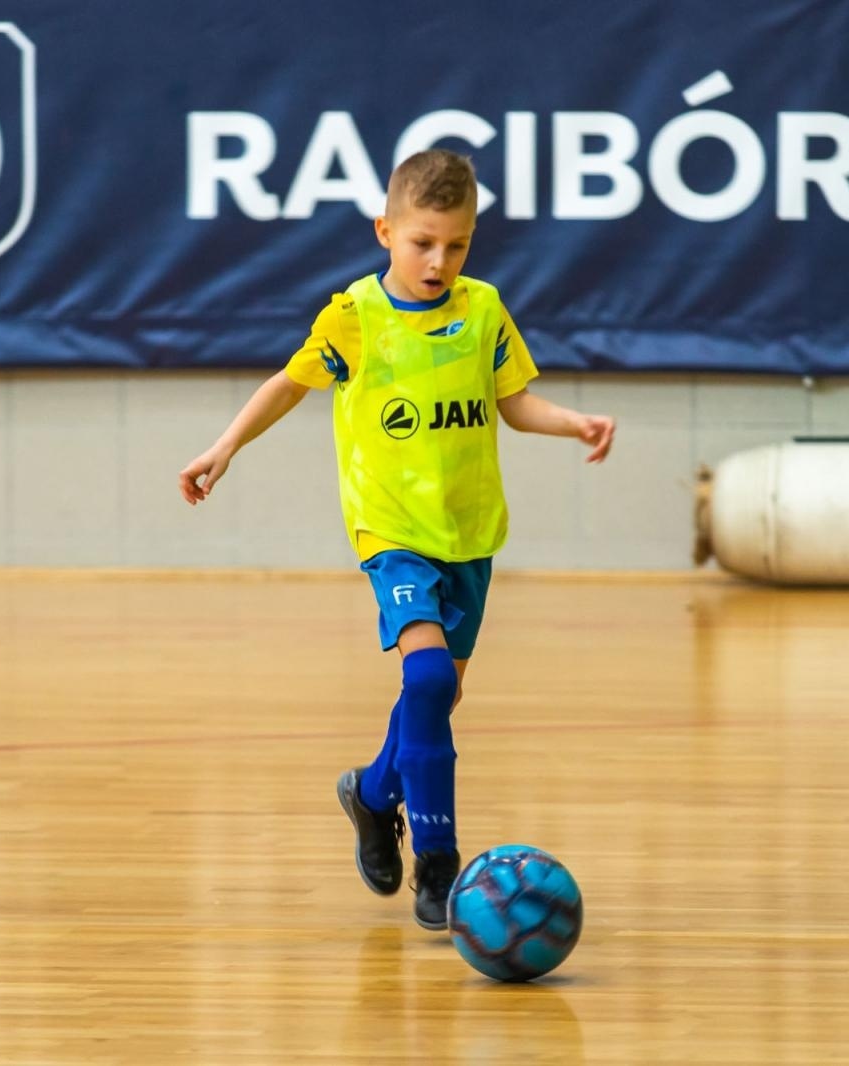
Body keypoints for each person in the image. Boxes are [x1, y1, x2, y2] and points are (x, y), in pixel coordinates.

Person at [178, 150, 614, 929]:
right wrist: (226, 446)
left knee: (436, 692)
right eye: (422, 243)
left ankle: (374, 794)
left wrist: (571, 422)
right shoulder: (356, 316)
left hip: (471, 534)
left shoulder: (483, 311)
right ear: (385, 231)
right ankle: (438, 863)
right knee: (431, 680)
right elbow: (289, 382)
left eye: (456, 245)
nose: (438, 261)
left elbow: (514, 403)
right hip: (391, 532)